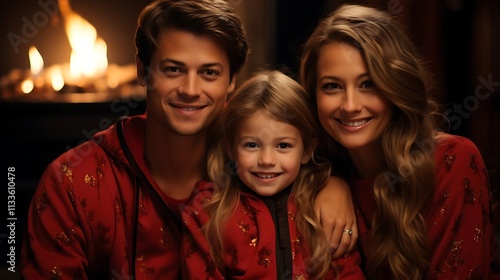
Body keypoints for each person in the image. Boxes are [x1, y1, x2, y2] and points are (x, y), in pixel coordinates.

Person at [20, 1, 355, 279]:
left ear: (231, 81)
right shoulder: (73, 181)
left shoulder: (257, 160)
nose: (191, 90)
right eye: (173, 70)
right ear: (141, 71)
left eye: (209, 72)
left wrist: (335, 186)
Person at [300, 4, 498, 280]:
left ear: (395, 85)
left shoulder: (451, 160)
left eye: (368, 83)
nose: (350, 105)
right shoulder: (310, 174)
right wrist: (331, 182)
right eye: (332, 86)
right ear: (314, 96)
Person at [181, 70, 364, 280]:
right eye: (251, 145)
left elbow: (348, 272)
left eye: (283, 145)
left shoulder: (324, 208)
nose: (267, 160)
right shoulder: (206, 214)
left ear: (306, 150)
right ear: (231, 148)